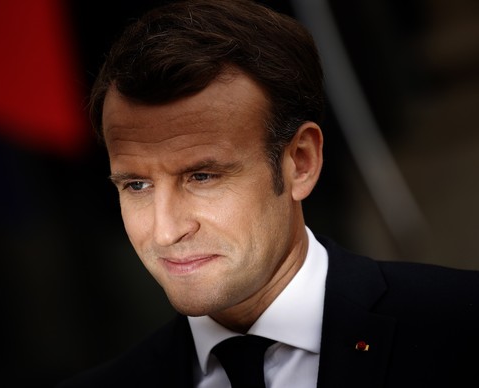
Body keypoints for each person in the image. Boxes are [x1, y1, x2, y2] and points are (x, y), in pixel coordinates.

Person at [58, 0, 479, 387]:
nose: (166, 231)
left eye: (202, 177)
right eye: (137, 185)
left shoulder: (460, 325)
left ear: (301, 162)